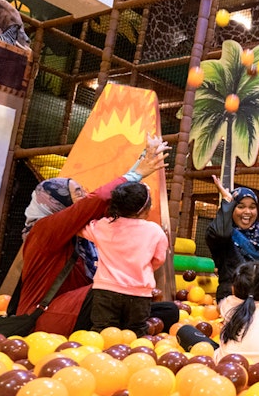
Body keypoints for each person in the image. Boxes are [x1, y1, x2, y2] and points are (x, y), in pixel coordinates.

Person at [13, 134, 175, 336]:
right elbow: (98, 201)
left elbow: (116, 205)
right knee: (110, 287)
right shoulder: (44, 229)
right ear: (55, 200)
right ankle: (121, 333)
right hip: (48, 317)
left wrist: (144, 157)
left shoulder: (84, 229)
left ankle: (125, 329)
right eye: (78, 192)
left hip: (83, 305)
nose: (84, 196)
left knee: (168, 311)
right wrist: (137, 173)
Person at [80, 181, 168, 335]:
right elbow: (158, 259)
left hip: (106, 290)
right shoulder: (155, 231)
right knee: (136, 331)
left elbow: (79, 227)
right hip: (139, 293)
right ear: (146, 208)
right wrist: (143, 269)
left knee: (103, 332)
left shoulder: (103, 226)